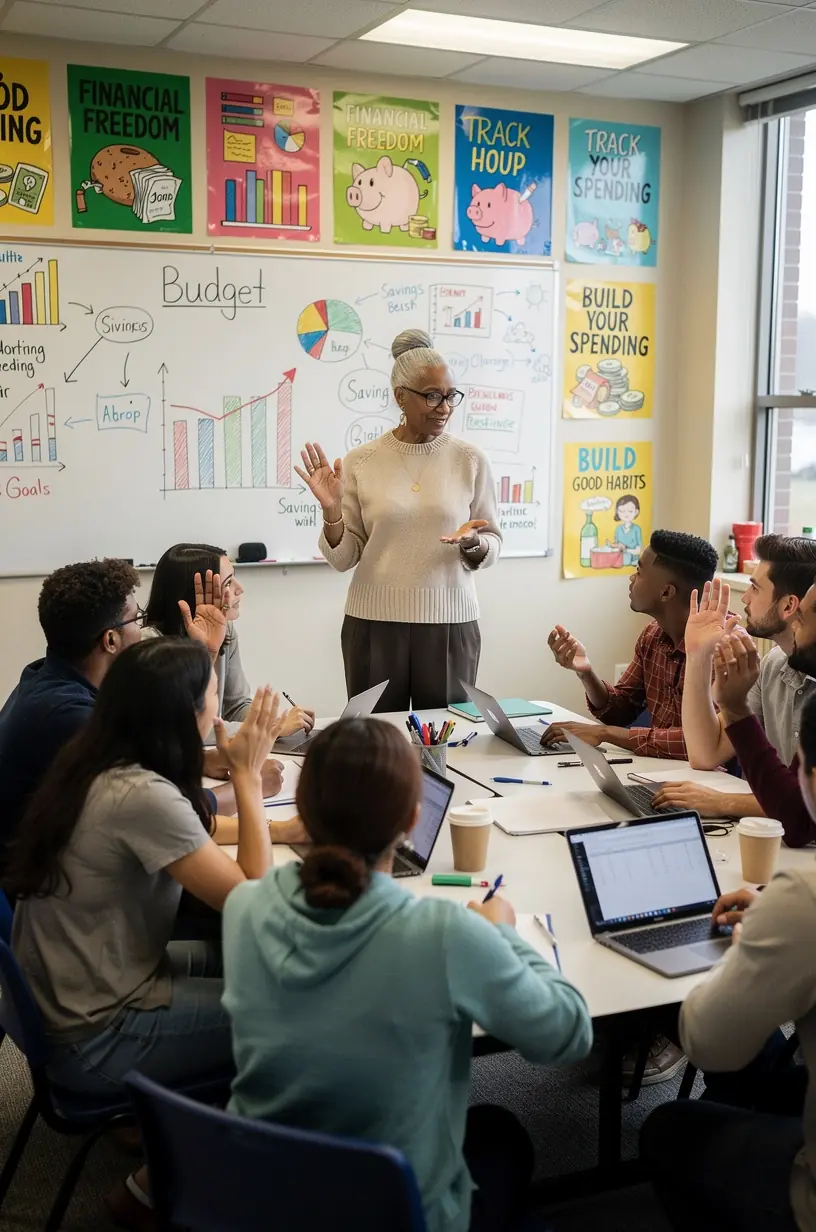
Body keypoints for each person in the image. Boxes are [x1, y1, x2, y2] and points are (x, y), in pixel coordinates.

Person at [222, 718, 592, 1232]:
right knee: (504, 1137)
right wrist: (501, 931)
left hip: (264, 1198)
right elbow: (568, 1035)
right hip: (401, 1213)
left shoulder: (244, 906)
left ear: (302, 811)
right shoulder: (443, 933)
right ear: (413, 819)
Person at [5, 638, 284, 1230]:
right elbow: (254, 904)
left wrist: (266, 812)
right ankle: (165, 1189)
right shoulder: (142, 795)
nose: (219, 711)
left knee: (241, 963)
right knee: (290, 1011)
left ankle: (168, 1159)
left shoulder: (98, 762)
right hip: (95, 1034)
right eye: (213, 697)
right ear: (187, 717)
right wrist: (248, 777)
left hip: (72, 994)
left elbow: (196, 841)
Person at [641, 690, 816, 1232]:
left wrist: (756, 941)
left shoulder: (803, 900)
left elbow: (705, 1042)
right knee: (765, 1060)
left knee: (666, 1129)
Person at [296, 329, 502, 712]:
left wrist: (474, 544)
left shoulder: (470, 459)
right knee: (375, 744)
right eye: (432, 396)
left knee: (441, 744)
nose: (444, 407)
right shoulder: (362, 460)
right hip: (373, 622)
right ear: (400, 397)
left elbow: (492, 541)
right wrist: (331, 512)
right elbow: (344, 558)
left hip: (450, 623)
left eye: (450, 396)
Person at [0, 558, 141, 869]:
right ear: (111, 640)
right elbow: (152, 803)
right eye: (135, 620)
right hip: (34, 888)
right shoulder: (68, 714)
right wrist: (245, 781)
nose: (141, 630)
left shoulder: (45, 675)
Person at [670, 534, 816, 820]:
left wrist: (724, 802)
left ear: (789, 606)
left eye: (754, 587)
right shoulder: (773, 664)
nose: (745, 598)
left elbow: (803, 810)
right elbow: (705, 754)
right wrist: (698, 654)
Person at [542, 529, 719, 759]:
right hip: (658, 770)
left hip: (711, 783)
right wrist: (586, 672)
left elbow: (701, 742)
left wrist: (606, 734)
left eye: (639, 571)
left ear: (666, 592)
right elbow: (620, 713)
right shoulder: (652, 635)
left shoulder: (721, 647)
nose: (631, 578)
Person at [142, 542, 315, 738]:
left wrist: (273, 722)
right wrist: (267, 730)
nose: (240, 589)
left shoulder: (226, 630)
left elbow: (237, 706)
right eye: (228, 583)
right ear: (193, 595)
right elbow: (186, 728)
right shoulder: (148, 645)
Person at [611, 494, 642, 566]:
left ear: (636, 512)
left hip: (633, 562)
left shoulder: (637, 529)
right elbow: (617, 546)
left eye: (630, 511)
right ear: (617, 512)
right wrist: (613, 546)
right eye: (622, 511)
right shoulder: (618, 529)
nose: (626, 514)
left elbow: (638, 551)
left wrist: (625, 550)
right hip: (620, 561)